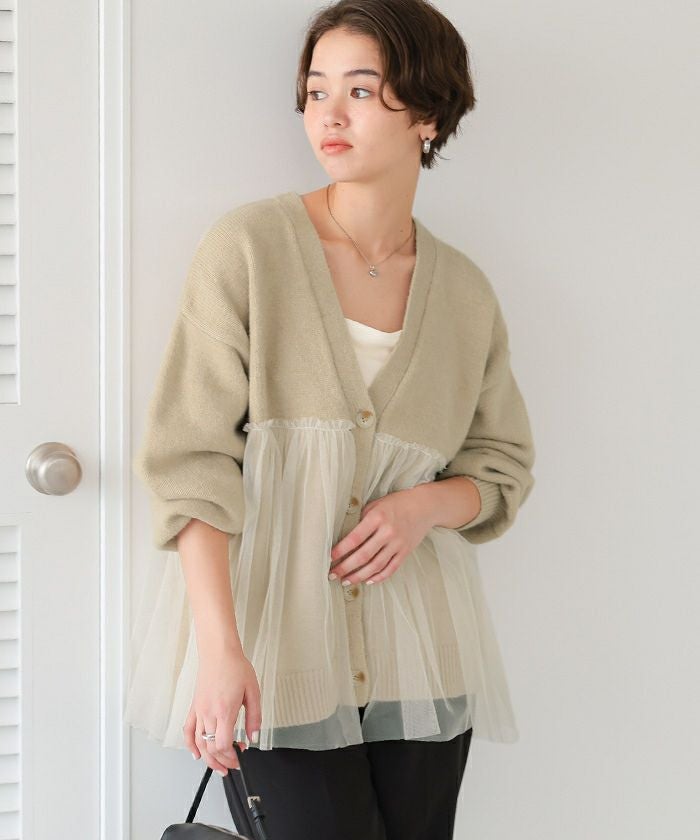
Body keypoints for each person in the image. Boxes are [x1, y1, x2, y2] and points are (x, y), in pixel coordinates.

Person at [124, 1, 536, 838]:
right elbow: (190, 463)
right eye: (316, 91)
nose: (329, 116)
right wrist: (220, 650)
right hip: (275, 653)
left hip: (421, 657)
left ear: (427, 114)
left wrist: (423, 506)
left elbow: (501, 465)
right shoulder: (250, 249)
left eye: (361, 90)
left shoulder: (463, 293)